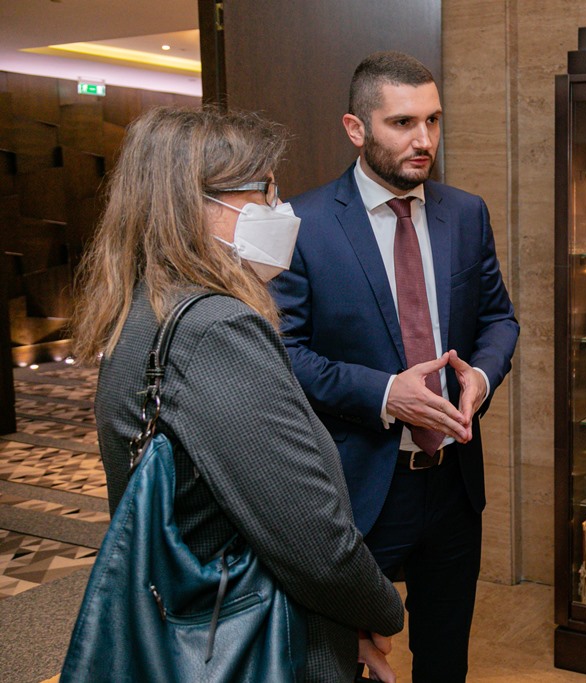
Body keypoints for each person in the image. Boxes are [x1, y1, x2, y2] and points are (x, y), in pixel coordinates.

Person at [71, 107, 405, 681]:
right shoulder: (216, 330)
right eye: (265, 190)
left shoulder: (146, 308)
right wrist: (382, 610)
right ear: (197, 204)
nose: (280, 207)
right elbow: (309, 535)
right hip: (253, 642)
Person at [270, 51, 519, 683]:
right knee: (344, 659)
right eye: (403, 123)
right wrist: (385, 394)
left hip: (454, 481)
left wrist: (480, 376)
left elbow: (499, 319)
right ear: (356, 129)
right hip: (359, 486)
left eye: (433, 121)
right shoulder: (302, 224)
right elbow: (286, 356)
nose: (424, 140)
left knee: (445, 658)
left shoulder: (466, 212)